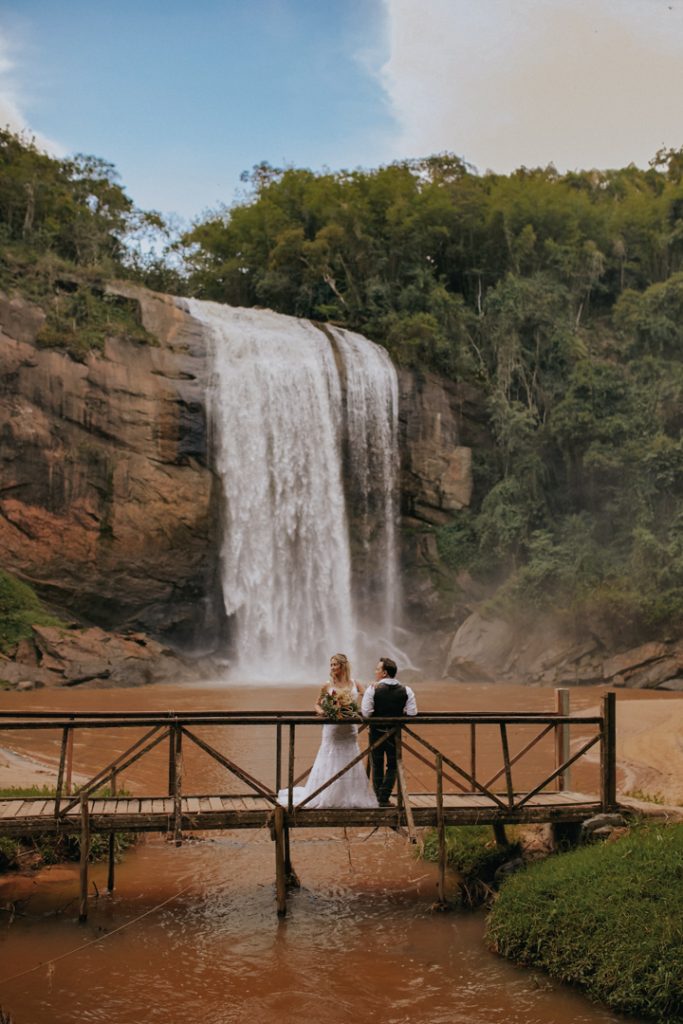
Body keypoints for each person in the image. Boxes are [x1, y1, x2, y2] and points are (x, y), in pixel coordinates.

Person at [277, 653, 378, 810]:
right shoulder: (327, 685)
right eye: (331, 665)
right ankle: (325, 794)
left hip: (349, 729)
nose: (332, 668)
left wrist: (375, 686)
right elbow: (316, 704)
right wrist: (324, 712)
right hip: (333, 729)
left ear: (343, 666)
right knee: (329, 757)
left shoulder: (355, 683)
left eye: (335, 664)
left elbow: (368, 698)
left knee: (349, 758)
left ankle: (349, 794)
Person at [361, 657, 418, 806]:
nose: (375, 671)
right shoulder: (406, 690)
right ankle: (383, 797)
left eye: (377, 669)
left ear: (385, 673)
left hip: (376, 732)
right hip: (394, 733)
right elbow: (412, 713)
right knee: (393, 765)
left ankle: (378, 798)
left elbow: (366, 713)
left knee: (377, 763)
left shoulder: (372, 689)